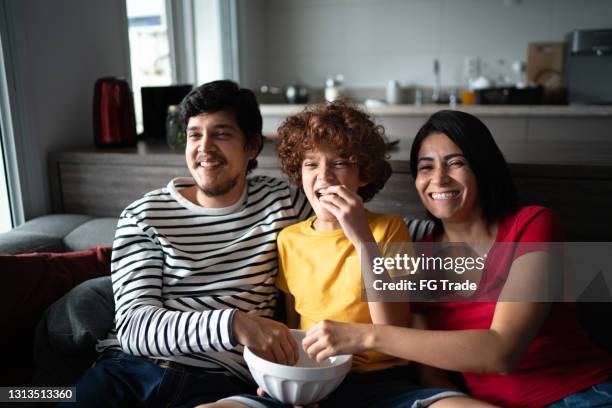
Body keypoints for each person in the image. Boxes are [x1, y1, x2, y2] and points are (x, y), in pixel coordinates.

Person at [299, 110, 612, 407]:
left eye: (455, 163)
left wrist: (366, 337)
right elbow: (430, 375)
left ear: (482, 168)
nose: (440, 178)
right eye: (426, 167)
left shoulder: (533, 225)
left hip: (580, 393)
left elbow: (503, 352)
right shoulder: (419, 255)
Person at [214, 104, 492, 408]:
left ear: (362, 174)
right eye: (311, 164)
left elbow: (393, 328)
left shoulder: (389, 230)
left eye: (341, 163)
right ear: (298, 172)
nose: (324, 175)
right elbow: (295, 330)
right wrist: (283, 379)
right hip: (313, 381)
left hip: (383, 384)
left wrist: (361, 237)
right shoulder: (289, 239)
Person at [64, 80, 312, 407]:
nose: (204, 148)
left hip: (226, 386)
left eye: (221, 134)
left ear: (251, 146)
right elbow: (135, 329)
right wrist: (235, 324)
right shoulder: (144, 216)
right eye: (195, 134)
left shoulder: (283, 203)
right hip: (130, 373)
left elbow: (373, 238)